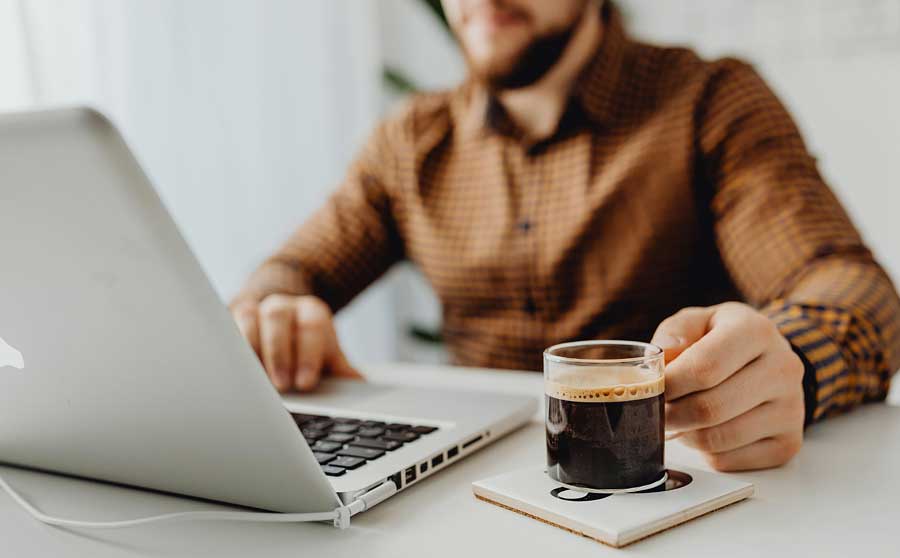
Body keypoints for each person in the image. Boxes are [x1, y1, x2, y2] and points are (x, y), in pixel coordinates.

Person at [229, 0, 900, 471]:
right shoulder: (409, 141)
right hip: (466, 498)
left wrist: (790, 365)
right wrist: (276, 308)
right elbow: (293, 271)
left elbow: (851, 289)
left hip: (673, 498)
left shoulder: (710, 102)